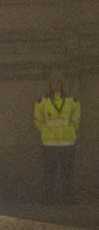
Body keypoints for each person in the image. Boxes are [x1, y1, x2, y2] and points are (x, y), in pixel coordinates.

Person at [34, 69, 81, 204]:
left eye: (59, 83)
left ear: (62, 85)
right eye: (54, 83)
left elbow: (76, 117)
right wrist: (44, 130)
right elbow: (38, 118)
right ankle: (49, 198)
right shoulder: (42, 101)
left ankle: (68, 198)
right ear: (50, 85)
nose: (56, 85)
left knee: (67, 174)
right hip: (49, 143)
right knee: (50, 174)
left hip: (67, 143)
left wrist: (71, 129)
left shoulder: (72, 101)